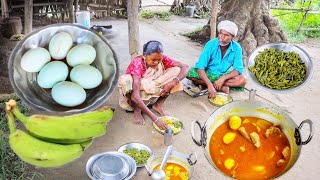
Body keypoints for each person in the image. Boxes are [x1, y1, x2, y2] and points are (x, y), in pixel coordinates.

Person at [118, 40, 189, 129]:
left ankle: (158, 105)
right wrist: (155, 119)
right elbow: (135, 96)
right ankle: (137, 110)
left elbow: (186, 67)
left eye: (159, 60)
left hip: (154, 84)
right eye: (153, 60)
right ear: (144, 55)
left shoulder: (161, 58)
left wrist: (172, 83)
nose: (156, 62)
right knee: (126, 80)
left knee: (177, 71)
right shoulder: (137, 63)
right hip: (140, 89)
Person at [187, 20, 247, 98]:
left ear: (232, 37)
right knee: (188, 72)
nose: (221, 37)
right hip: (207, 73)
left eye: (226, 35)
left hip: (222, 75)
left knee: (243, 80)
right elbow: (200, 67)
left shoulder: (237, 48)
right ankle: (217, 86)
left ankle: (207, 84)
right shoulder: (211, 44)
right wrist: (209, 85)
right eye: (220, 33)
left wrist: (222, 78)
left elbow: (238, 69)